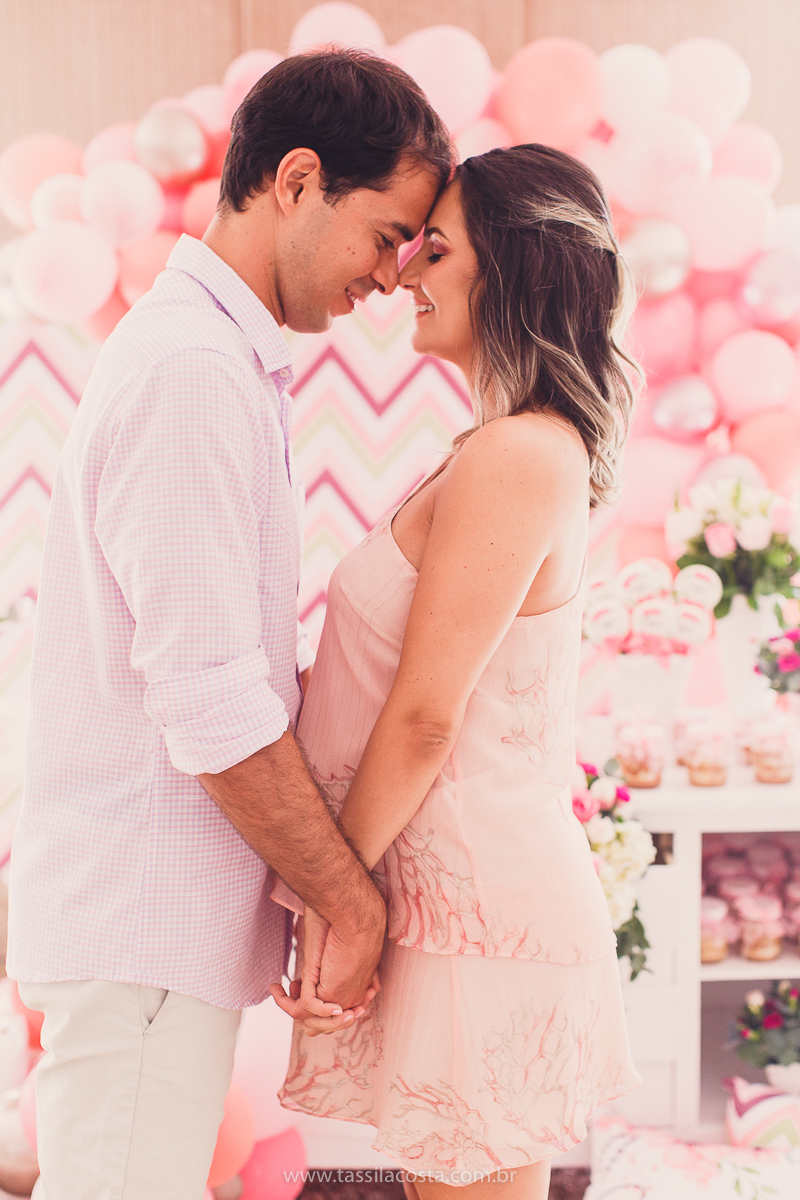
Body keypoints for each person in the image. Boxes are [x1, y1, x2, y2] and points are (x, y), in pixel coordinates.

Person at [6, 51, 451, 1200]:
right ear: (296, 180)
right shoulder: (192, 372)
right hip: (142, 928)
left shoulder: (219, 361)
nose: (392, 278)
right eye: (385, 233)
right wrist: (347, 901)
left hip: (152, 935)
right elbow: (207, 698)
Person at [273, 144, 643, 1200]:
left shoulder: (518, 454)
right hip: (450, 902)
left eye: (435, 248)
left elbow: (426, 716)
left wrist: (334, 899)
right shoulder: (499, 448)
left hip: (479, 916)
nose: (403, 274)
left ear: (512, 268)